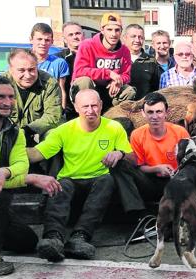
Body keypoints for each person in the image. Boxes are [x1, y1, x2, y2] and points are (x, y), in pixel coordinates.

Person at [28, 89, 133, 262]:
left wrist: (120, 153)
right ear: (76, 107)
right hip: (71, 179)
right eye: (85, 106)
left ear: (100, 105)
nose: (90, 110)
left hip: (99, 179)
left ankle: (80, 237)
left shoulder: (114, 127)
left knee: (107, 180)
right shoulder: (63, 130)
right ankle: (53, 238)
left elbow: (132, 158)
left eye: (94, 105)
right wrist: (12, 150)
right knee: (59, 184)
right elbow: (37, 154)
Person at [0, 75, 61, 277]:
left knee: (26, 241)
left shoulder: (15, 131)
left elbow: (21, 165)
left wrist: (4, 171)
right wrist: (30, 178)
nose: (7, 102)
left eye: (10, 97)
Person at [112, 92, 190, 214]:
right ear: (143, 113)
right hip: (150, 180)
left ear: (166, 113)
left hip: (176, 180)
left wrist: (176, 172)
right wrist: (157, 168)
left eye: (159, 111)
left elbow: (190, 163)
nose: (155, 116)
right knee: (120, 165)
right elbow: (139, 166)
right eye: (150, 112)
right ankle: (138, 214)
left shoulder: (180, 132)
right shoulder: (137, 134)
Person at [71, 12, 136, 111]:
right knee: (84, 81)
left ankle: (115, 117)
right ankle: (86, 114)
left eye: (117, 30)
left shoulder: (124, 50)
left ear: (121, 31)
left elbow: (126, 75)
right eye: (109, 30)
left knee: (129, 91)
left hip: (109, 89)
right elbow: (79, 71)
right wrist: (108, 73)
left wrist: (118, 80)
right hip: (88, 88)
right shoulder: (87, 45)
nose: (113, 34)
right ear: (102, 30)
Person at [2, 49, 62, 147]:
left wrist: (28, 130)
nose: (28, 75)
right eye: (21, 70)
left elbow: (53, 116)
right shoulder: (0, 85)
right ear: (11, 70)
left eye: (31, 70)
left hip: (36, 133)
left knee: (53, 135)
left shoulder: (49, 83)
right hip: (7, 135)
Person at [30, 23, 69, 110]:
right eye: (39, 39)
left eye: (47, 40)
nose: (43, 43)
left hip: (50, 107)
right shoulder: (22, 62)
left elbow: (61, 89)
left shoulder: (59, 63)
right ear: (31, 40)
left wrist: (62, 111)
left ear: (52, 42)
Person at [124, 24, 162, 100]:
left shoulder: (151, 61)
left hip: (143, 108)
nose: (137, 40)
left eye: (140, 37)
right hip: (120, 108)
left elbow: (156, 89)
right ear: (125, 38)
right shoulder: (117, 58)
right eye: (133, 36)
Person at [57, 22, 85, 119]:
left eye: (78, 33)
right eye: (70, 35)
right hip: (69, 108)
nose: (75, 37)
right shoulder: (59, 59)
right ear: (65, 39)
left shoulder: (94, 55)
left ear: (83, 35)